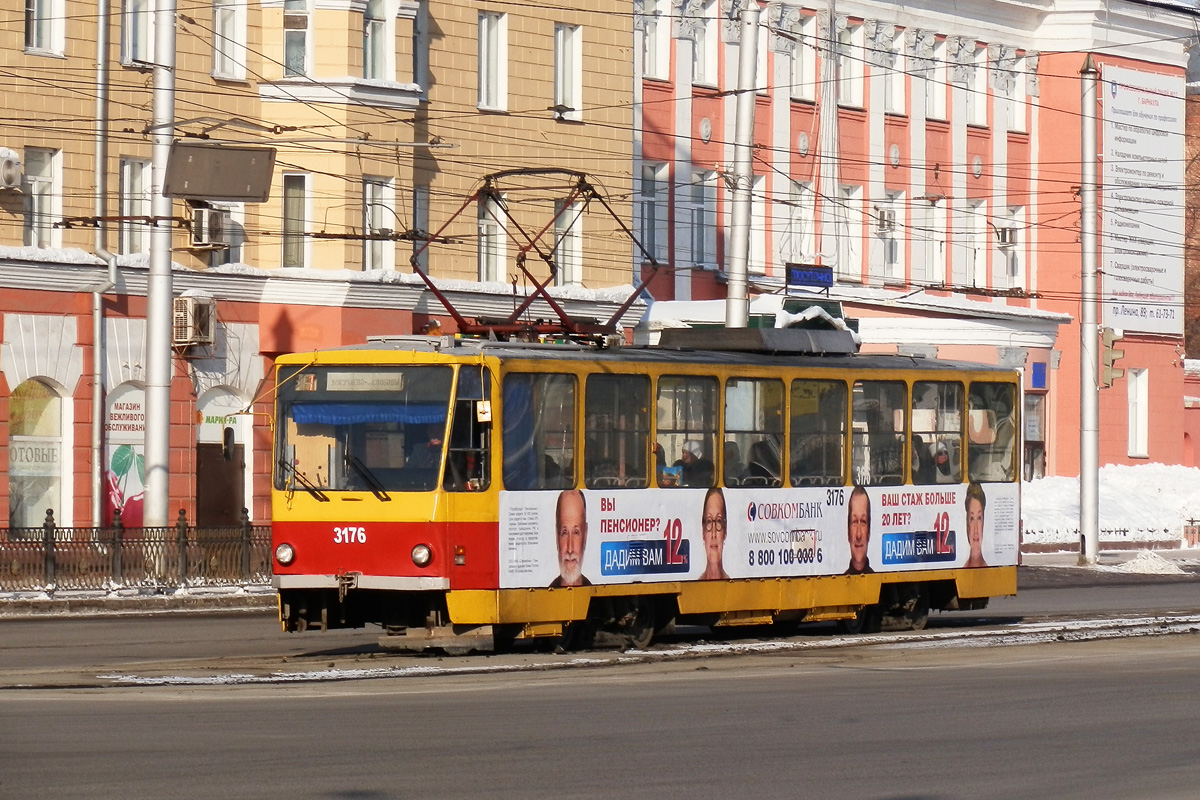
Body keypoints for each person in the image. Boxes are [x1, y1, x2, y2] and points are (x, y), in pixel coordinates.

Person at [550, 489, 591, 587]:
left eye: (576, 532)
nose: (570, 549)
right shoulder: (543, 594)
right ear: (557, 535)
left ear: (585, 535)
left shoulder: (598, 594)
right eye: (564, 533)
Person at [700, 487, 729, 580]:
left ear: (725, 531)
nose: (713, 534)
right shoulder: (694, 585)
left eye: (719, 521)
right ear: (703, 533)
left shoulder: (735, 584)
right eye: (709, 521)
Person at [845, 485, 874, 575]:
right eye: (854, 522)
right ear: (848, 532)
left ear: (869, 532)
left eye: (863, 522)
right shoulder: (838, 581)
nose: (858, 535)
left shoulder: (876, 579)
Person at [964, 481, 988, 568]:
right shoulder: (962, 569)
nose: (975, 529)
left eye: (979, 518)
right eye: (972, 518)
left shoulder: (990, 571)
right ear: (967, 523)